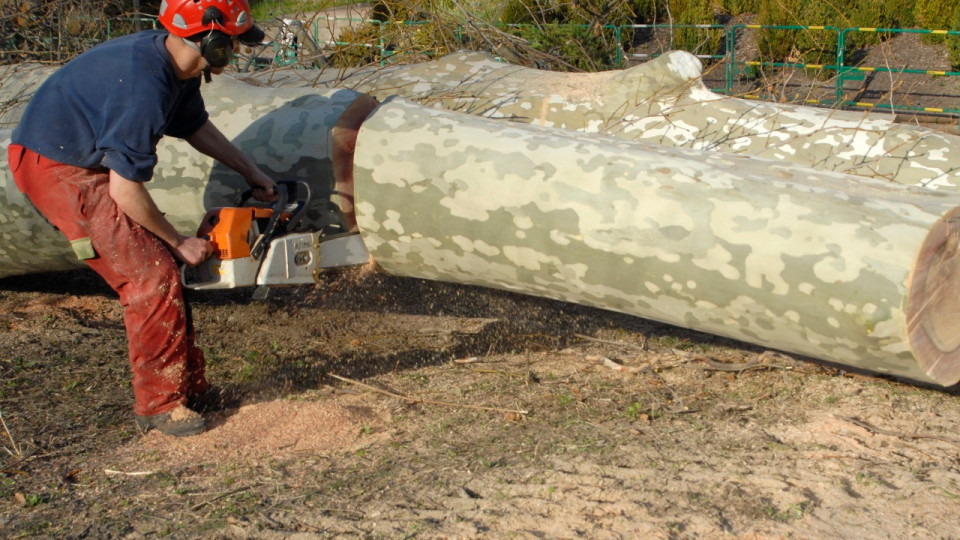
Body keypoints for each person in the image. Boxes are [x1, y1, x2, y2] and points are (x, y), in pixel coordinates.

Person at [6, 0, 277, 437]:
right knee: (150, 274)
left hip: (79, 157)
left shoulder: (177, 68)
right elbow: (124, 190)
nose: (238, 52)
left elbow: (195, 127)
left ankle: (187, 388)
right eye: (234, 43)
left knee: (159, 266)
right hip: (57, 169)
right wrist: (178, 241)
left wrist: (251, 171)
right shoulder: (143, 87)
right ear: (210, 39)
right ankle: (159, 406)